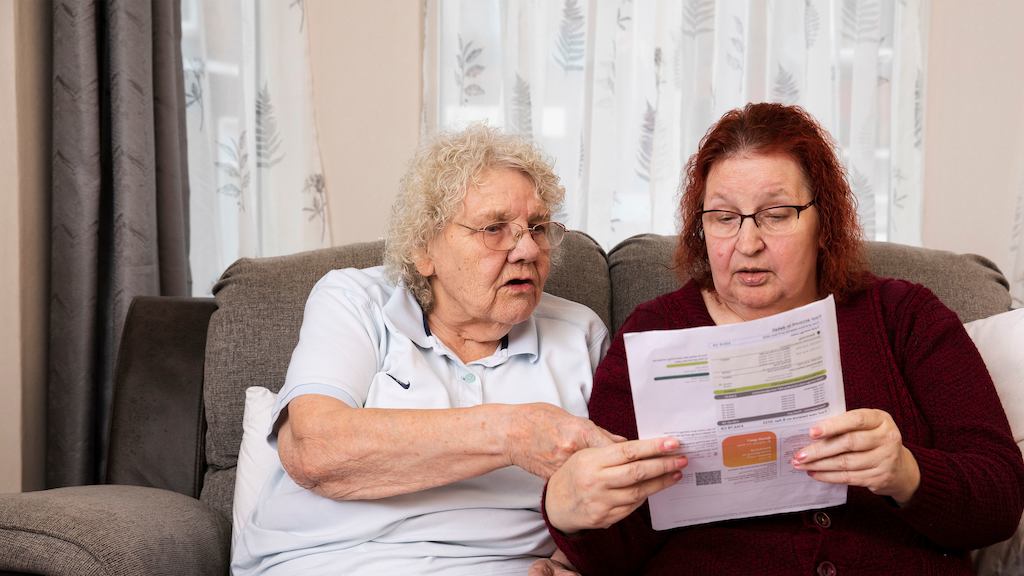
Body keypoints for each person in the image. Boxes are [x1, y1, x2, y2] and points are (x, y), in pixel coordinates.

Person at [539, 103, 1024, 575]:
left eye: (776, 213)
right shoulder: (652, 334)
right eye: (724, 217)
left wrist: (905, 472)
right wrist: (567, 509)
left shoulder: (904, 317)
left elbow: (1000, 500)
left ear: (823, 222)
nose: (747, 244)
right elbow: (613, 555)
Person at [232, 124, 614, 575]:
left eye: (537, 227)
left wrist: (570, 560)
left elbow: (615, 491)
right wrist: (513, 433)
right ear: (423, 248)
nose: (528, 248)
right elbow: (314, 451)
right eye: (495, 229)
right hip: (328, 561)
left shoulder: (579, 333)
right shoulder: (354, 302)